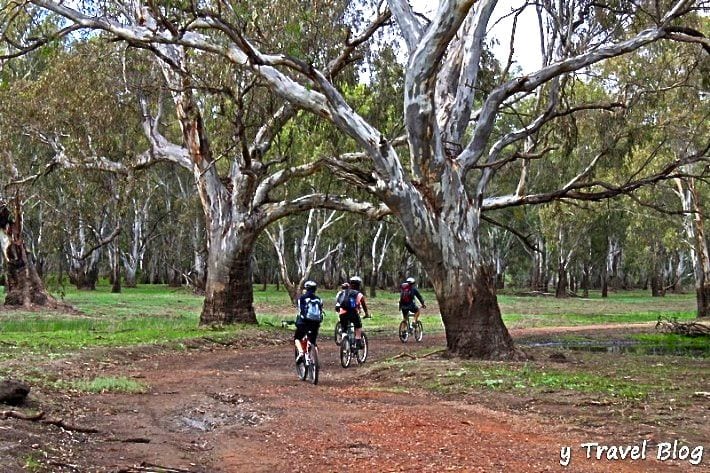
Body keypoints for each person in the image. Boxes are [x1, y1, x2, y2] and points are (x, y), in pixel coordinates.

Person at [294, 280, 323, 364]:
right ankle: (315, 355)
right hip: (316, 323)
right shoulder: (318, 299)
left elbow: (301, 311)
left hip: (304, 322)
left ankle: (301, 352)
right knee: (312, 340)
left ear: (306, 289)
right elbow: (321, 311)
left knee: (297, 338)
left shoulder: (302, 298)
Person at [338, 276, 370, 348]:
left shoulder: (343, 292)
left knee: (344, 328)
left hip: (342, 313)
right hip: (353, 313)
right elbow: (363, 304)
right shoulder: (358, 294)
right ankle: (358, 340)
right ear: (359, 285)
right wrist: (366, 313)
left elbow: (339, 301)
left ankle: (344, 338)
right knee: (358, 326)